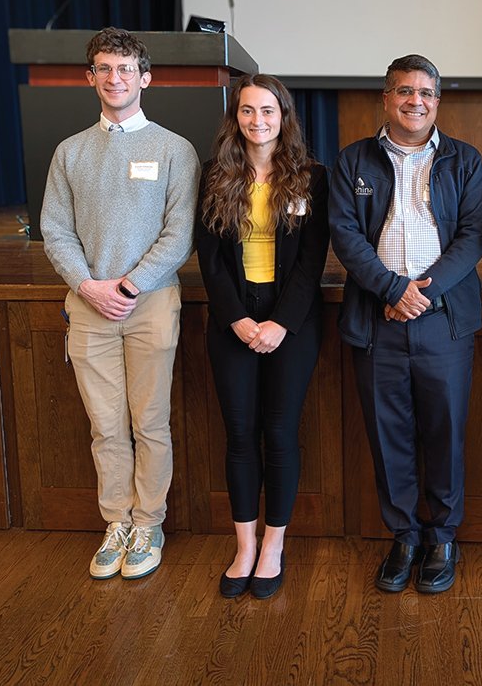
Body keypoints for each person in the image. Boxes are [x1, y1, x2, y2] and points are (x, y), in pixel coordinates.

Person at [39, 29, 198, 584]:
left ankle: (149, 524)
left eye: (126, 69)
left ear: (146, 78)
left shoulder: (175, 149)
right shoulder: (70, 151)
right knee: (106, 426)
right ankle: (117, 522)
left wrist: (127, 287)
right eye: (104, 69)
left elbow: (180, 235)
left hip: (150, 304)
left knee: (149, 422)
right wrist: (89, 287)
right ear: (90, 78)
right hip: (88, 307)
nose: (115, 79)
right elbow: (55, 231)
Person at [327, 54, 482, 597]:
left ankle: (442, 537)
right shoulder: (353, 160)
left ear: (437, 102)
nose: (414, 101)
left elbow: (473, 237)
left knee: (445, 431)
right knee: (387, 431)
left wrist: (422, 291)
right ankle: (405, 536)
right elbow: (345, 236)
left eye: (424, 93)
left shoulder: (464, 161)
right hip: (377, 318)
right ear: (386, 98)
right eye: (403, 91)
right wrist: (393, 290)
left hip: (442, 320)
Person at [192, 73, 323, 600]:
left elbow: (312, 261)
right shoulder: (214, 175)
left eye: (268, 110)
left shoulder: (313, 177)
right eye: (247, 110)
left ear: (283, 116)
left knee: (280, 433)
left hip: (291, 320)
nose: (257, 120)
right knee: (240, 435)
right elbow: (208, 258)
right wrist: (238, 320)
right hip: (233, 319)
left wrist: (279, 323)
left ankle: (273, 545)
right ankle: (244, 546)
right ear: (235, 118)